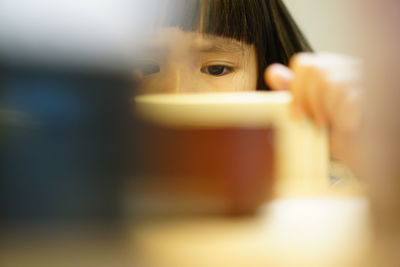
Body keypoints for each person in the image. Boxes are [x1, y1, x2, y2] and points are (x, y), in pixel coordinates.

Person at [134, 0, 363, 173]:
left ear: (264, 78)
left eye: (216, 69)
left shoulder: (320, 183)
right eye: (146, 68)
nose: (177, 95)